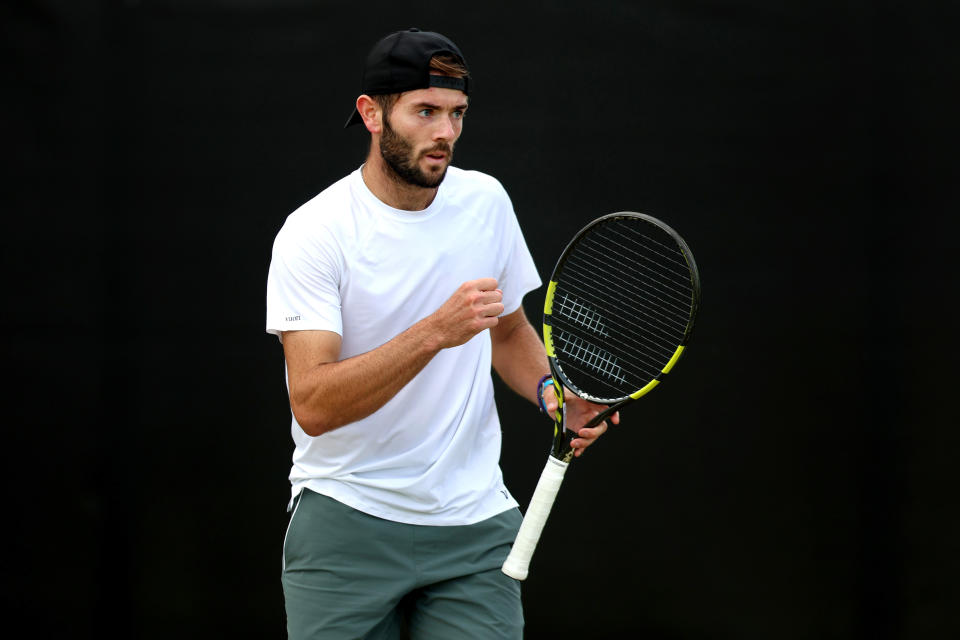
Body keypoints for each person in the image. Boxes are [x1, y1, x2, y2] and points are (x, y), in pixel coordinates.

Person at [265, 28, 618, 639]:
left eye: (456, 113)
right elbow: (314, 404)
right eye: (425, 111)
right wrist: (433, 332)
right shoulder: (314, 232)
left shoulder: (485, 201)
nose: (446, 133)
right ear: (371, 114)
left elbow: (507, 333)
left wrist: (552, 393)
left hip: (473, 527)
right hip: (347, 518)